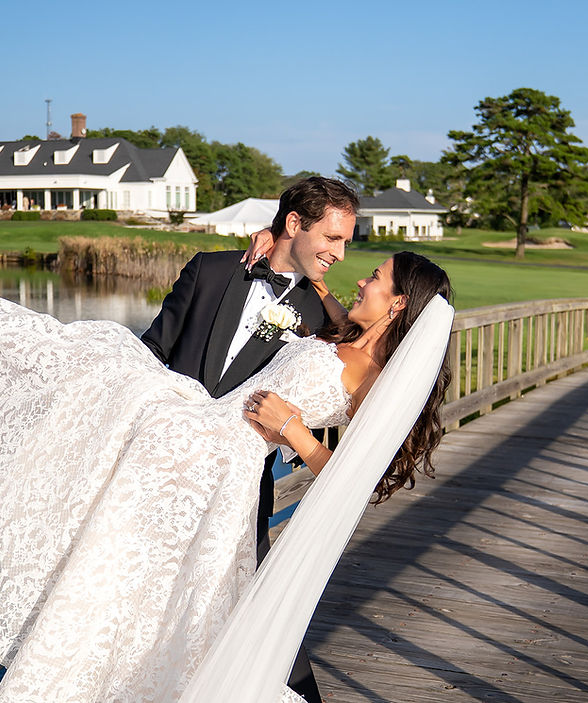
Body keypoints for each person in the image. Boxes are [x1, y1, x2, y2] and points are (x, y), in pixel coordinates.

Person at [0, 250, 451, 702]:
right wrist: (300, 260)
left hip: (216, 472)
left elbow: (365, 480)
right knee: (120, 566)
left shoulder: (373, 377)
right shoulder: (343, 336)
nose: (362, 279)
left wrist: (296, 432)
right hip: (193, 437)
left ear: (398, 301)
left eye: (375, 277)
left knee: (161, 598)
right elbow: (326, 286)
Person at [141, 176, 357, 702]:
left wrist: (320, 286)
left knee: (249, 603)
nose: (340, 253)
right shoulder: (211, 270)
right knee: (147, 606)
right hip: (159, 476)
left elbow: (359, 341)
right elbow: (147, 355)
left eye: (346, 242)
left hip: (239, 491)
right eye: (332, 238)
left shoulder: (316, 317)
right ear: (293, 225)